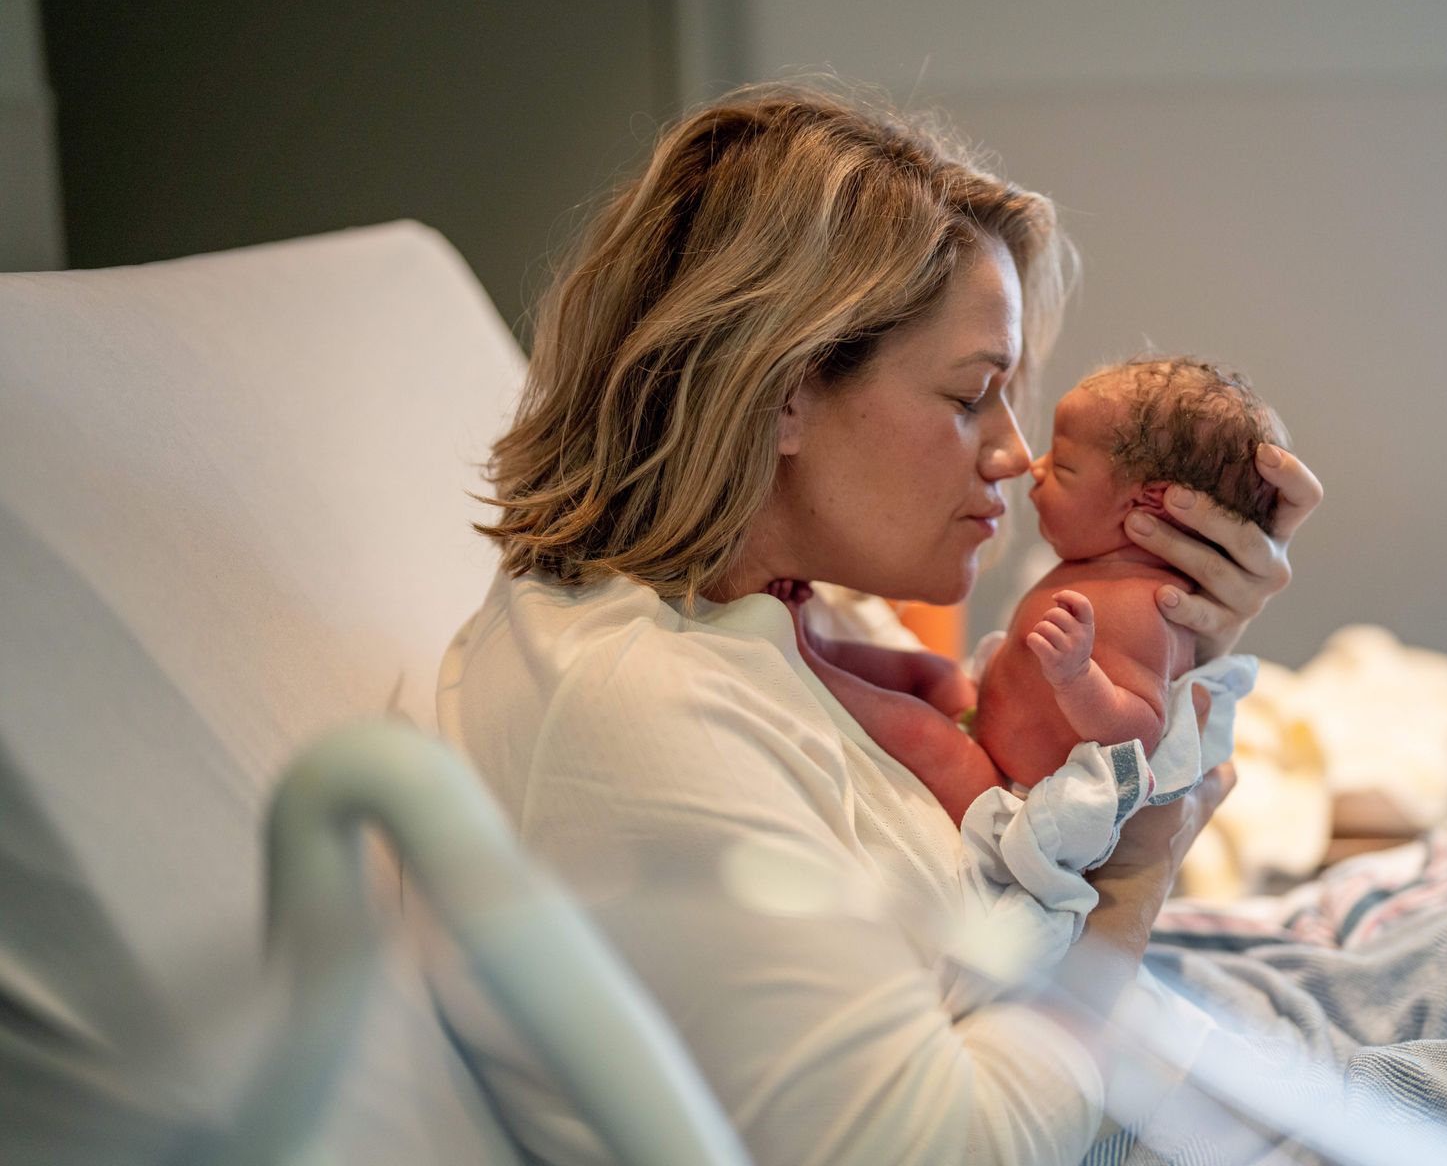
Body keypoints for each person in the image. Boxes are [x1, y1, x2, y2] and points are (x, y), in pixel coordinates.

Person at [436, 82, 1319, 1165]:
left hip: (1155, 1031)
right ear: (782, 392)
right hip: (1114, 1093)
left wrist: (1179, 631)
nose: (1012, 450)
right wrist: (1134, 881)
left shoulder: (772, 598)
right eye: (967, 396)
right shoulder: (641, 719)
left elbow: (996, 741)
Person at [780, 355, 1288, 826]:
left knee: (921, 732)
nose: (1034, 467)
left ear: (1149, 505)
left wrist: (1078, 678)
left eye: (1064, 468)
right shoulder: (1092, 569)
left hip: (1011, 792)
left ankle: (807, 666)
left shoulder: (1145, 606)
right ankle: (820, 646)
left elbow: (1142, 727)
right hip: (985, 725)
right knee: (930, 671)